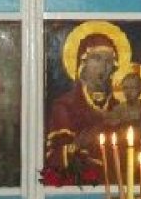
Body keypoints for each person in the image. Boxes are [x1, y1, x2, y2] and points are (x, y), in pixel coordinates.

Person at [45, 23, 129, 174]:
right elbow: (55, 158)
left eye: (108, 61)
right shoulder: (65, 106)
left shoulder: (119, 104)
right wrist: (82, 142)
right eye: (97, 59)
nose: (103, 67)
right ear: (82, 63)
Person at [105, 64, 141, 161]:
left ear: (140, 89)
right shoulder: (118, 109)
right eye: (126, 88)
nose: (128, 92)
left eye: (133, 88)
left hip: (140, 149)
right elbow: (111, 126)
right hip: (122, 149)